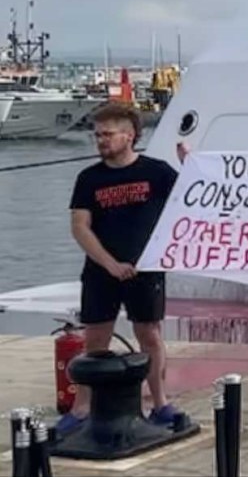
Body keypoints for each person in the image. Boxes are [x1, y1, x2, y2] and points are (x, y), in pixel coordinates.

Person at [58, 102, 185, 436]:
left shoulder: (156, 172)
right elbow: (80, 226)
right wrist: (110, 264)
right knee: (95, 337)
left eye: (108, 134)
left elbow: (191, 198)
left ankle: (159, 403)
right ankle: (82, 406)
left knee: (150, 335)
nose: (101, 141)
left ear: (129, 136)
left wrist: (191, 166)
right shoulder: (89, 178)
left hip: (147, 268)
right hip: (102, 269)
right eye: (97, 135)